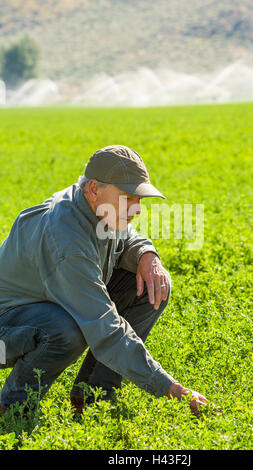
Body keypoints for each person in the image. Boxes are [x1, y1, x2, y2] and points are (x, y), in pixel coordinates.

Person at [0, 145, 208, 416]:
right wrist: (171, 389)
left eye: (139, 200)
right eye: (127, 198)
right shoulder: (66, 240)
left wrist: (147, 254)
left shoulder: (93, 207)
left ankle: (92, 397)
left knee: (151, 283)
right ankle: (12, 407)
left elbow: (128, 236)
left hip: (35, 310)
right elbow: (106, 329)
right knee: (66, 329)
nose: (136, 210)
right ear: (94, 189)